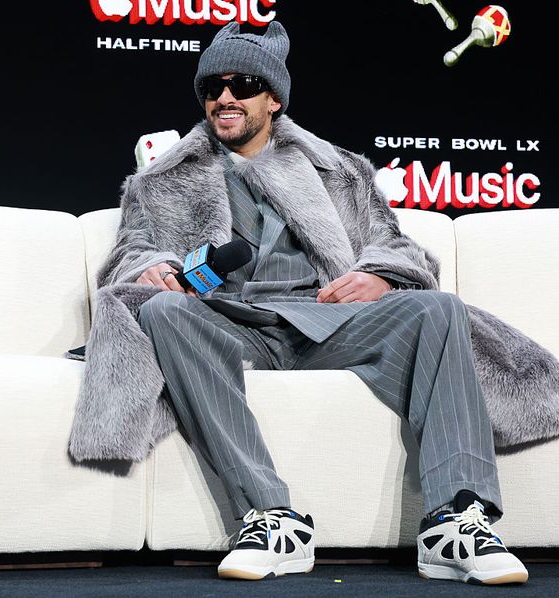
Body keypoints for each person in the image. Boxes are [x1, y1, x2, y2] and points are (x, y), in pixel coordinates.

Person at [97, 21, 528, 585]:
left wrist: (380, 274)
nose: (225, 97)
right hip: (228, 321)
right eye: (212, 87)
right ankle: (270, 518)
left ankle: (456, 521)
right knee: (160, 311)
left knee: (439, 308)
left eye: (243, 84)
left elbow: (395, 244)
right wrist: (147, 268)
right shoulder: (162, 180)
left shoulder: (338, 170)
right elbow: (129, 254)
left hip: (324, 317)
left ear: (273, 98)